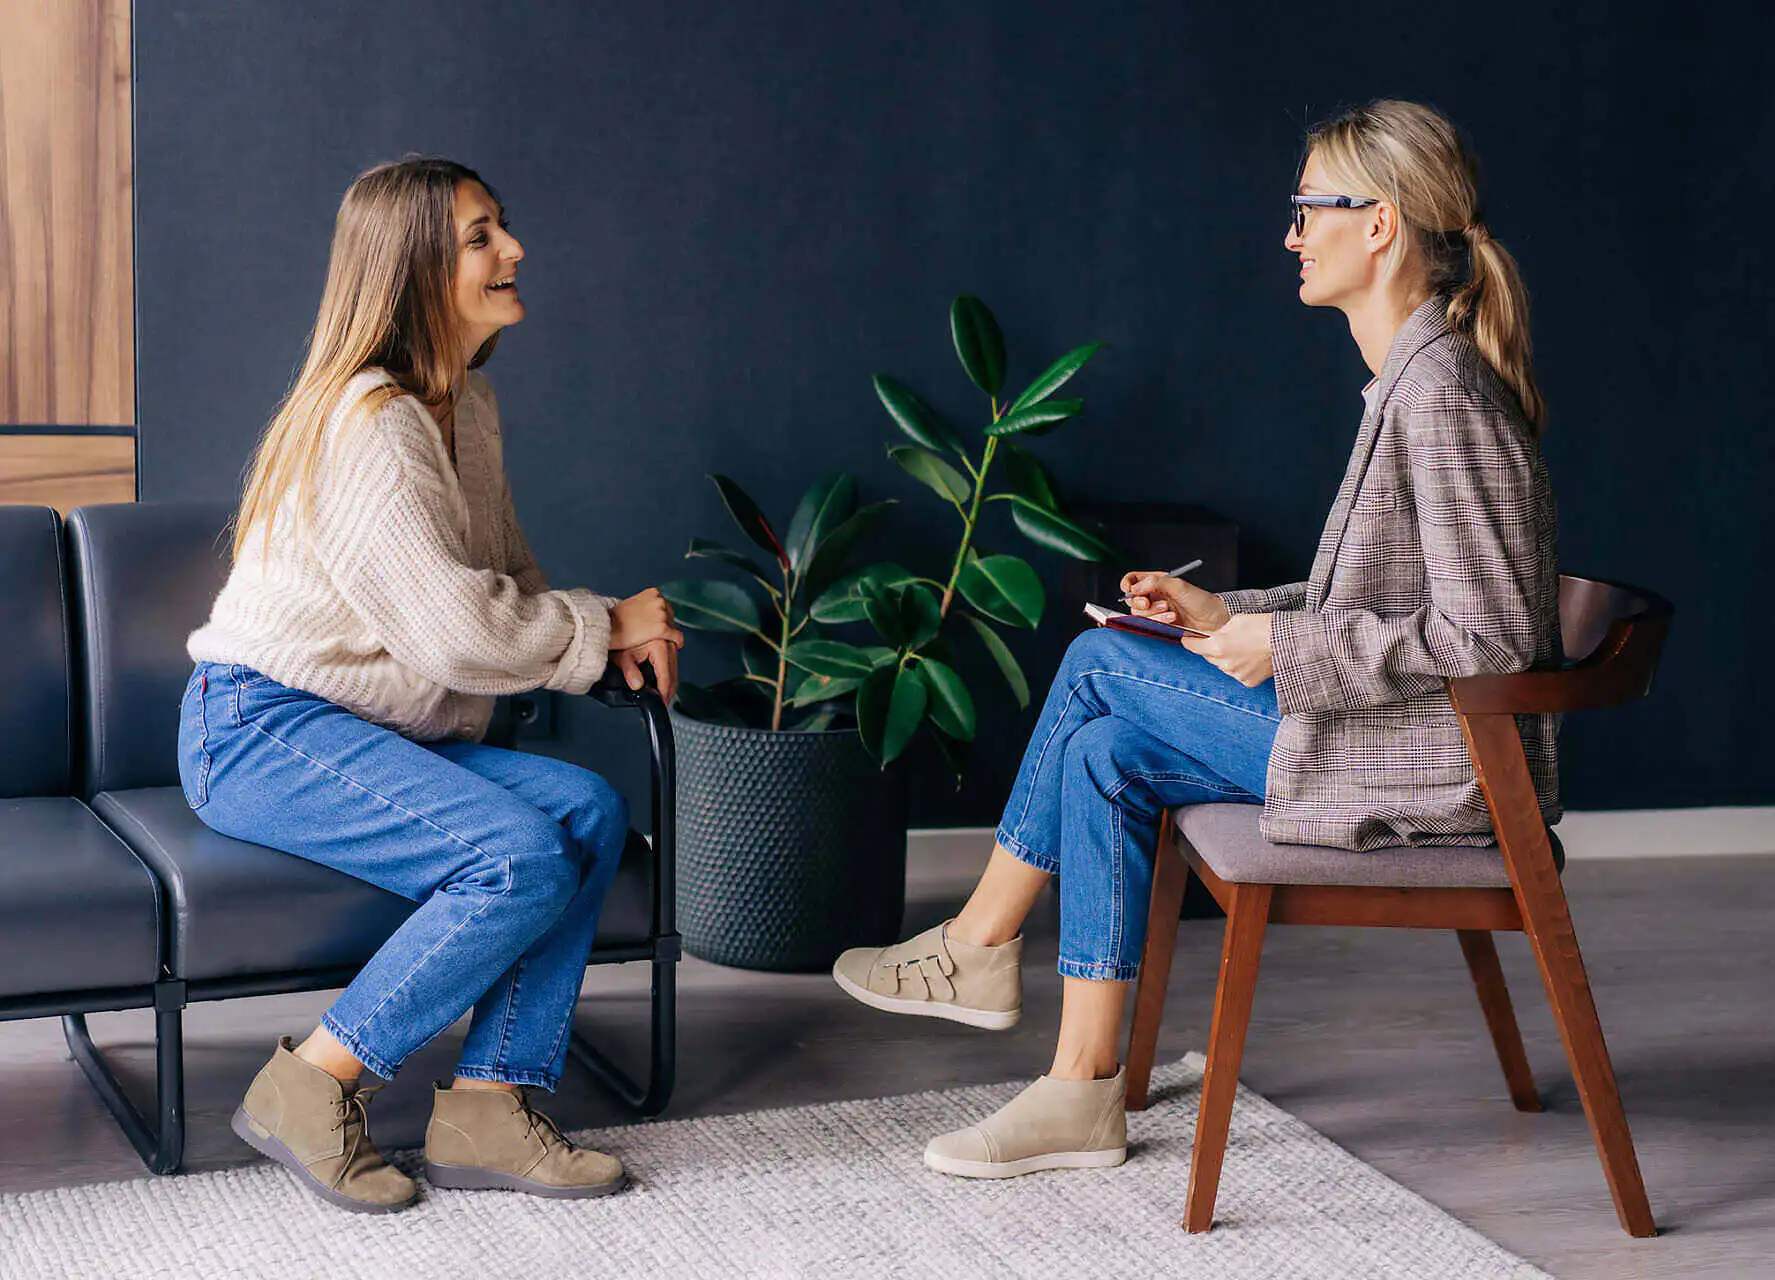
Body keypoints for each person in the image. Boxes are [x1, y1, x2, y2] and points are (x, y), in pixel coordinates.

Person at [833, 99, 1560, 1180]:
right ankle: (1080, 1088)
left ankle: (980, 942)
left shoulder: (1439, 394)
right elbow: (1365, 588)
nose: (1290, 232)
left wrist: (1290, 651)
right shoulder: (1407, 383)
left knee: (1090, 665)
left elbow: (1490, 636)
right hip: (1394, 735)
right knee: (1101, 749)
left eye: (1310, 206)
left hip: (1435, 769)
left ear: (1381, 223)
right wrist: (1233, 614)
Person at [179, 156, 684, 1213]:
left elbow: (504, 576)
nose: (514, 248)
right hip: (263, 727)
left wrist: (601, 637)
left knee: (586, 810)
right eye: (480, 235)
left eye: (503, 224)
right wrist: (598, 626)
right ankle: (312, 1082)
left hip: (374, 730)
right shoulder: (372, 422)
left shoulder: (466, 402)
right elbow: (459, 632)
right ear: (412, 270)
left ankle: (491, 1102)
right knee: (513, 856)